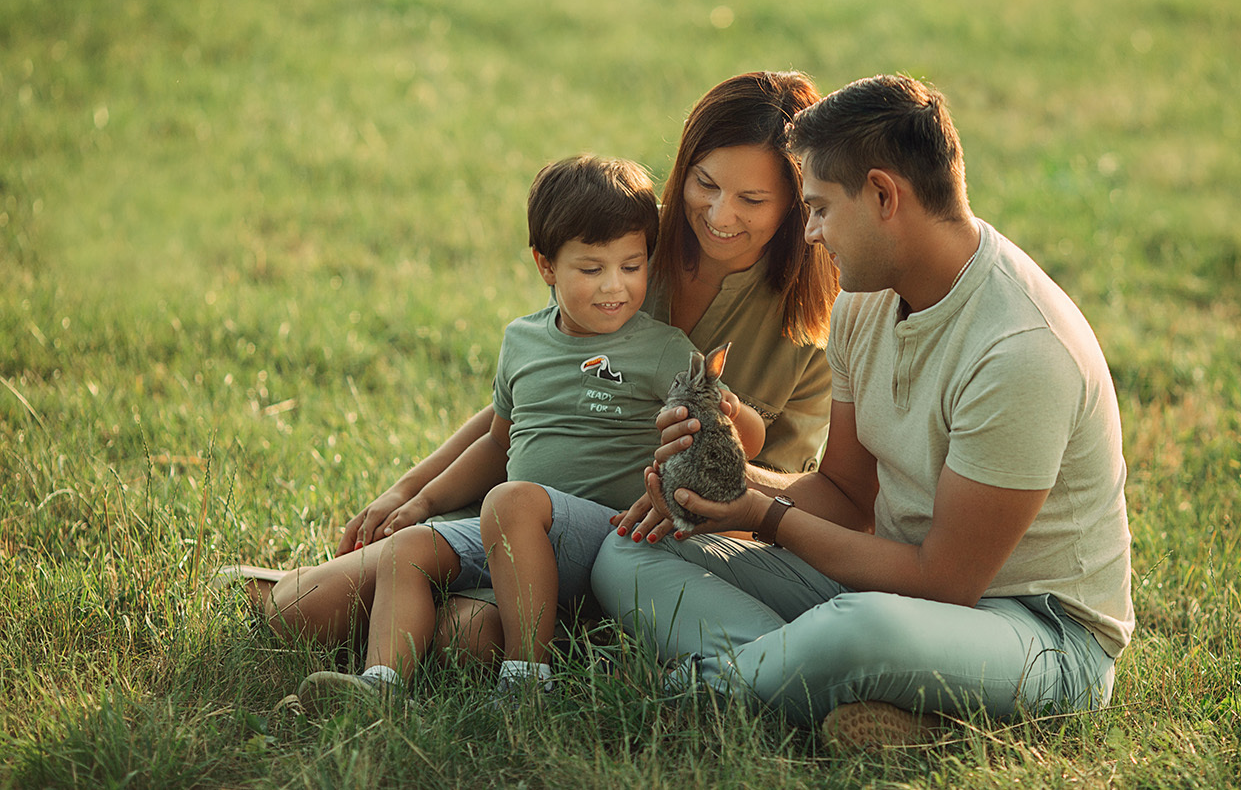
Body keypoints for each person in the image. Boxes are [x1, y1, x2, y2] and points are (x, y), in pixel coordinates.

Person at [592, 74, 1135, 750]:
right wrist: (724, 480)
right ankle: (856, 689)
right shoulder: (864, 300)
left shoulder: (1019, 349)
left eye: (819, 207)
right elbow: (846, 495)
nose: (812, 232)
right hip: (882, 579)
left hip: (1035, 631)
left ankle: (713, 692)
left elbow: (946, 581)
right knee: (626, 553)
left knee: (861, 630)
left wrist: (766, 516)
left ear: (883, 194)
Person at [225, 71, 840, 667]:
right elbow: (523, 408)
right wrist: (408, 492)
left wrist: (705, 476)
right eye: (704, 184)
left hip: (647, 546)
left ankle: (471, 622)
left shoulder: (812, 321)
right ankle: (363, 599)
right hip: (519, 507)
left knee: (466, 640)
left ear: (795, 204)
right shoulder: (625, 244)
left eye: (753, 200)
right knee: (298, 610)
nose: (720, 214)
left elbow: (789, 488)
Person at [292, 155, 765, 709]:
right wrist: (420, 500)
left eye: (632, 267)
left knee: (512, 503)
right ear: (546, 266)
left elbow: (743, 444)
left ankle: (526, 684)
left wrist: (730, 413)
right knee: (407, 550)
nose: (615, 287)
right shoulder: (523, 340)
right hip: (509, 531)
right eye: (592, 270)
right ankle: (380, 687)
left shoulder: (660, 348)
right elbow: (498, 441)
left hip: (607, 539)